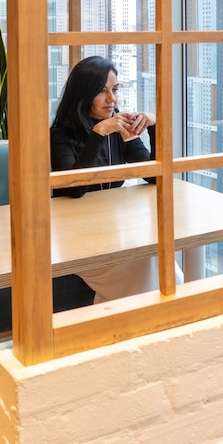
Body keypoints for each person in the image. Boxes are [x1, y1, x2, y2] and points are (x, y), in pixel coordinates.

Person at [50, 55, 183, 303]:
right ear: (84, 94)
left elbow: (153, 176)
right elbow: (74, 190)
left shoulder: (118, 125)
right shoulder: (60, 134)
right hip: (77, 235)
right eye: (102, 91)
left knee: (154, 255)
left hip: (114, 229)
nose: (112, 99)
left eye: (115, 89)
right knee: (145, 265)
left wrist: (155, 126)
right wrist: (98, 133)